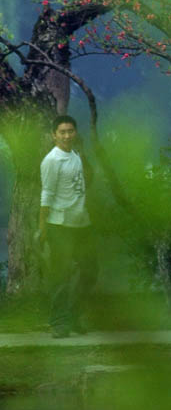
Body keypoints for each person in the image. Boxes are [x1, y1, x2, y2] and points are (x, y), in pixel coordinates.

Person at [39, 115, 96, 338]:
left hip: (82, 223)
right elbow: (47, 194)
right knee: (61, 276)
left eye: (70, 131)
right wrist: (42, 226)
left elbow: (85, 181)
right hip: (59, 225)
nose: (66, 136)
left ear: (75, 133)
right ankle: (58, 323)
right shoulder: (52, 160)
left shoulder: (76, 154)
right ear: (54, 135)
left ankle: (72, 316)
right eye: (62, 132)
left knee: (90, 272)